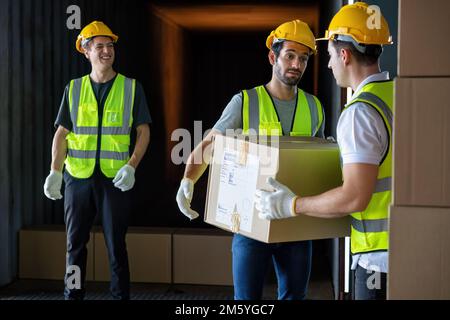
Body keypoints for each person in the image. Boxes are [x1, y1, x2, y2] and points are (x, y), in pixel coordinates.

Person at [176, 20, 325, 300]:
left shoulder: (314, 107)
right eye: (290, 55)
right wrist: (188, 179)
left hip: (295, 221)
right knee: (246, 300)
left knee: (295, 297)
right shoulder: (244, 102)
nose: (297, 64)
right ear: (273, 57)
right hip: (250, 221)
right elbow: (210, 143)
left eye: (303, 59)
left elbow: (320, 162)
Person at [255, 2, 393, 300]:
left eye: (329, 56)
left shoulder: (360, 112)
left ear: (344, 55)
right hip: (416, 245)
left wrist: (293, 205)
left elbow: (355, 196)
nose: (328, 65)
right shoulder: (400, 96)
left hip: (377, 259)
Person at [43, 21, 151, 300]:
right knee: (74, 245)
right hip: (77, 178)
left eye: (110, 45)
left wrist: (132, 166)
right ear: (86, 52)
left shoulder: (130, 87)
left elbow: (144, 131)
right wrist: (55, 171)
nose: (107, 51)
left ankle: (119, 298)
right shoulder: (74, 89)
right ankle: (73, 296)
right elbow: (61, 133)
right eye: (99, 46)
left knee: (116, 246)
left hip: (114, 178)